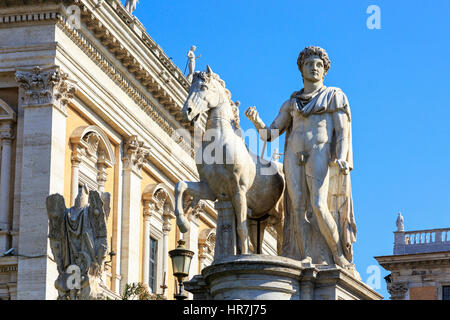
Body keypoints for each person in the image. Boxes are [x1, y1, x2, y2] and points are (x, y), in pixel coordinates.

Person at [245, 46, 356, 268]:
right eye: (309, 64)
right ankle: (304, 256)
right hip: (294, 156)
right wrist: (257, 122)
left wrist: (342, 157)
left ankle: (338, 255)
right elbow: (271, 133)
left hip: (320, 151)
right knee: (296, 208)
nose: (314, 68)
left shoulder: (334, 96)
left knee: (317, 204)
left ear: (324, 71)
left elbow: (343, 132)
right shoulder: (291, 102)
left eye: (318, 65)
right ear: (301, 69)